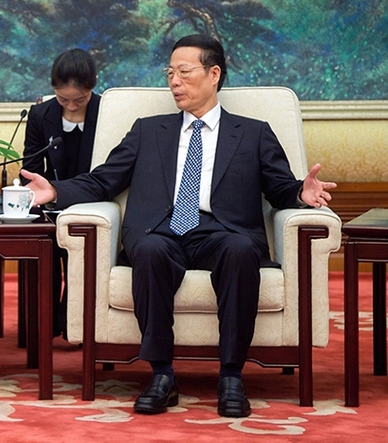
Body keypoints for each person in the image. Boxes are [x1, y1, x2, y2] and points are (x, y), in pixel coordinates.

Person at [22, 34, 336, 418]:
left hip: (224, 233)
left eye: (184, 72)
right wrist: (54, 190)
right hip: (161, 230)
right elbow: (104, 179)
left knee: (239, 252)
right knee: (150, 252)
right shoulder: (149, 130)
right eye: (170, 72)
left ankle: (231, 376)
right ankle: (161, 375)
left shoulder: (253, 132)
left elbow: (280, 187)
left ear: (214, 73)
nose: (174, 81)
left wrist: (301, 193)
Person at [21, 48, 100, 338]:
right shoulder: (42, 114)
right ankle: (46, 325)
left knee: (82, 262)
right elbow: (29, 165)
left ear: (92, 87)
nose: (71, 106)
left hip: (94, 204)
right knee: (47, 255)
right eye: (63, 99)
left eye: (79, 99)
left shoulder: (105, 112)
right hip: (49, 205)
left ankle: (74, 324)